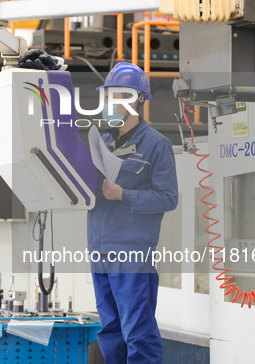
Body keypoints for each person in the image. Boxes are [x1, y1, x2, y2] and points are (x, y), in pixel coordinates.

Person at [88, 62, 178, 363]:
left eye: (116, 96)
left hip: (131, 254)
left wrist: (123, 194)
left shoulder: (157, 145)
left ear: (135, 100)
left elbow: (167, 198)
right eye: (107, 96)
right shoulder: (103, 143)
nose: (109, 104)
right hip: (99, 250)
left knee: (137, 332)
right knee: (109, 330)